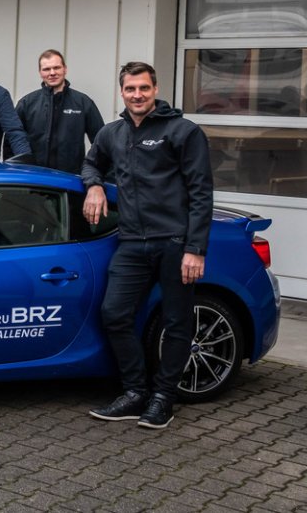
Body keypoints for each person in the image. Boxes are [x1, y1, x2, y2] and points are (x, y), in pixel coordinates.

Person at [83, 61, 213, 431]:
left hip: (174, 242)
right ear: (121, 92)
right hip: (131, 243)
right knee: (114, 314)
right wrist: (94, 185)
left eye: (143, 88)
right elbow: (91, 163)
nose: (137, 95)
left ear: (155, 89)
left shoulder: (183, 131)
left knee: (177, 322)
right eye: (130, 89)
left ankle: (163, 399)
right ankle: (136, 391)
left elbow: (202, 193)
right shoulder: (112, 133)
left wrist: (195, 248)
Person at [14, 50, 105, 174]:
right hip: (34, 179)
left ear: (65, 69)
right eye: (46, 69)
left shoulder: (83, 102)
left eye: (56, 67)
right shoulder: (27, 104)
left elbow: (101, 142)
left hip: (70, 180)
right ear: (40, 72)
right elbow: (12, 140)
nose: (52, 73)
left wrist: (91, 172)